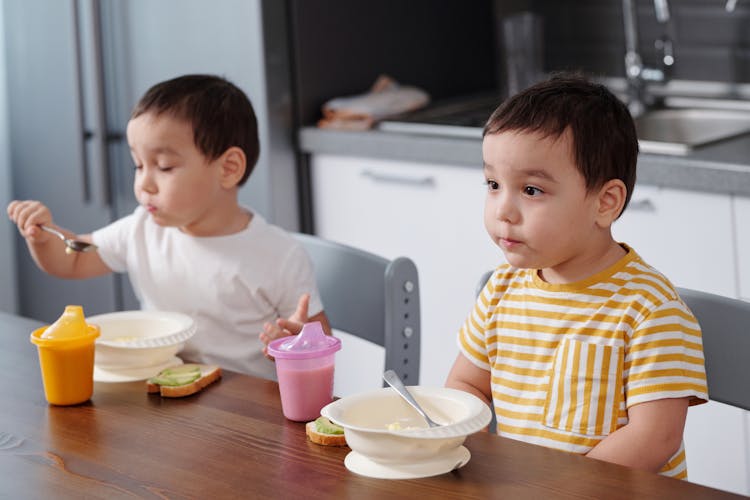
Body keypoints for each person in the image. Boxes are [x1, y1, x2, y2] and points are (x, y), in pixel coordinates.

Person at [445, 73, 707, 479]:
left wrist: (561, 488)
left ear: (605, 203)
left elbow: (655, 438)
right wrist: (466, 437)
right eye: (494, 184)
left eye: (531, 190)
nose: (503, 211)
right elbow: (468, 384)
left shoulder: (651, 311)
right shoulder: (501, 289)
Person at [7, 74, 329, 379]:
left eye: (164, 166)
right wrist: (41, 236)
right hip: (167, 399)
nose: (144, 183)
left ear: (228, 169)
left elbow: (320, 345)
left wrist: (297, 346)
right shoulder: (141, 230)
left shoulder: (278, 255)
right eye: (138, 164)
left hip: (249, 418)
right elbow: (73, 257)